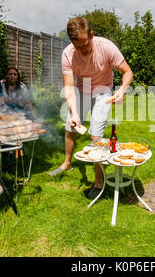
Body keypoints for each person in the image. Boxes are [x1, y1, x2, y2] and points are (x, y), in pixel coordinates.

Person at [49, 17, 134, 199]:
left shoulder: (107, 47)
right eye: (77, 47)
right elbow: (69, 87)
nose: (81, 51)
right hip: (81, 90)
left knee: (96, 135)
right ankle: (67, 163)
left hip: (103, 91)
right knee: (70, 125)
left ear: (91, 35)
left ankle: (98, 182)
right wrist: (74, 113)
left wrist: (122, 90)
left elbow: (127, 72)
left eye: (84, 45)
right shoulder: (68, 54)